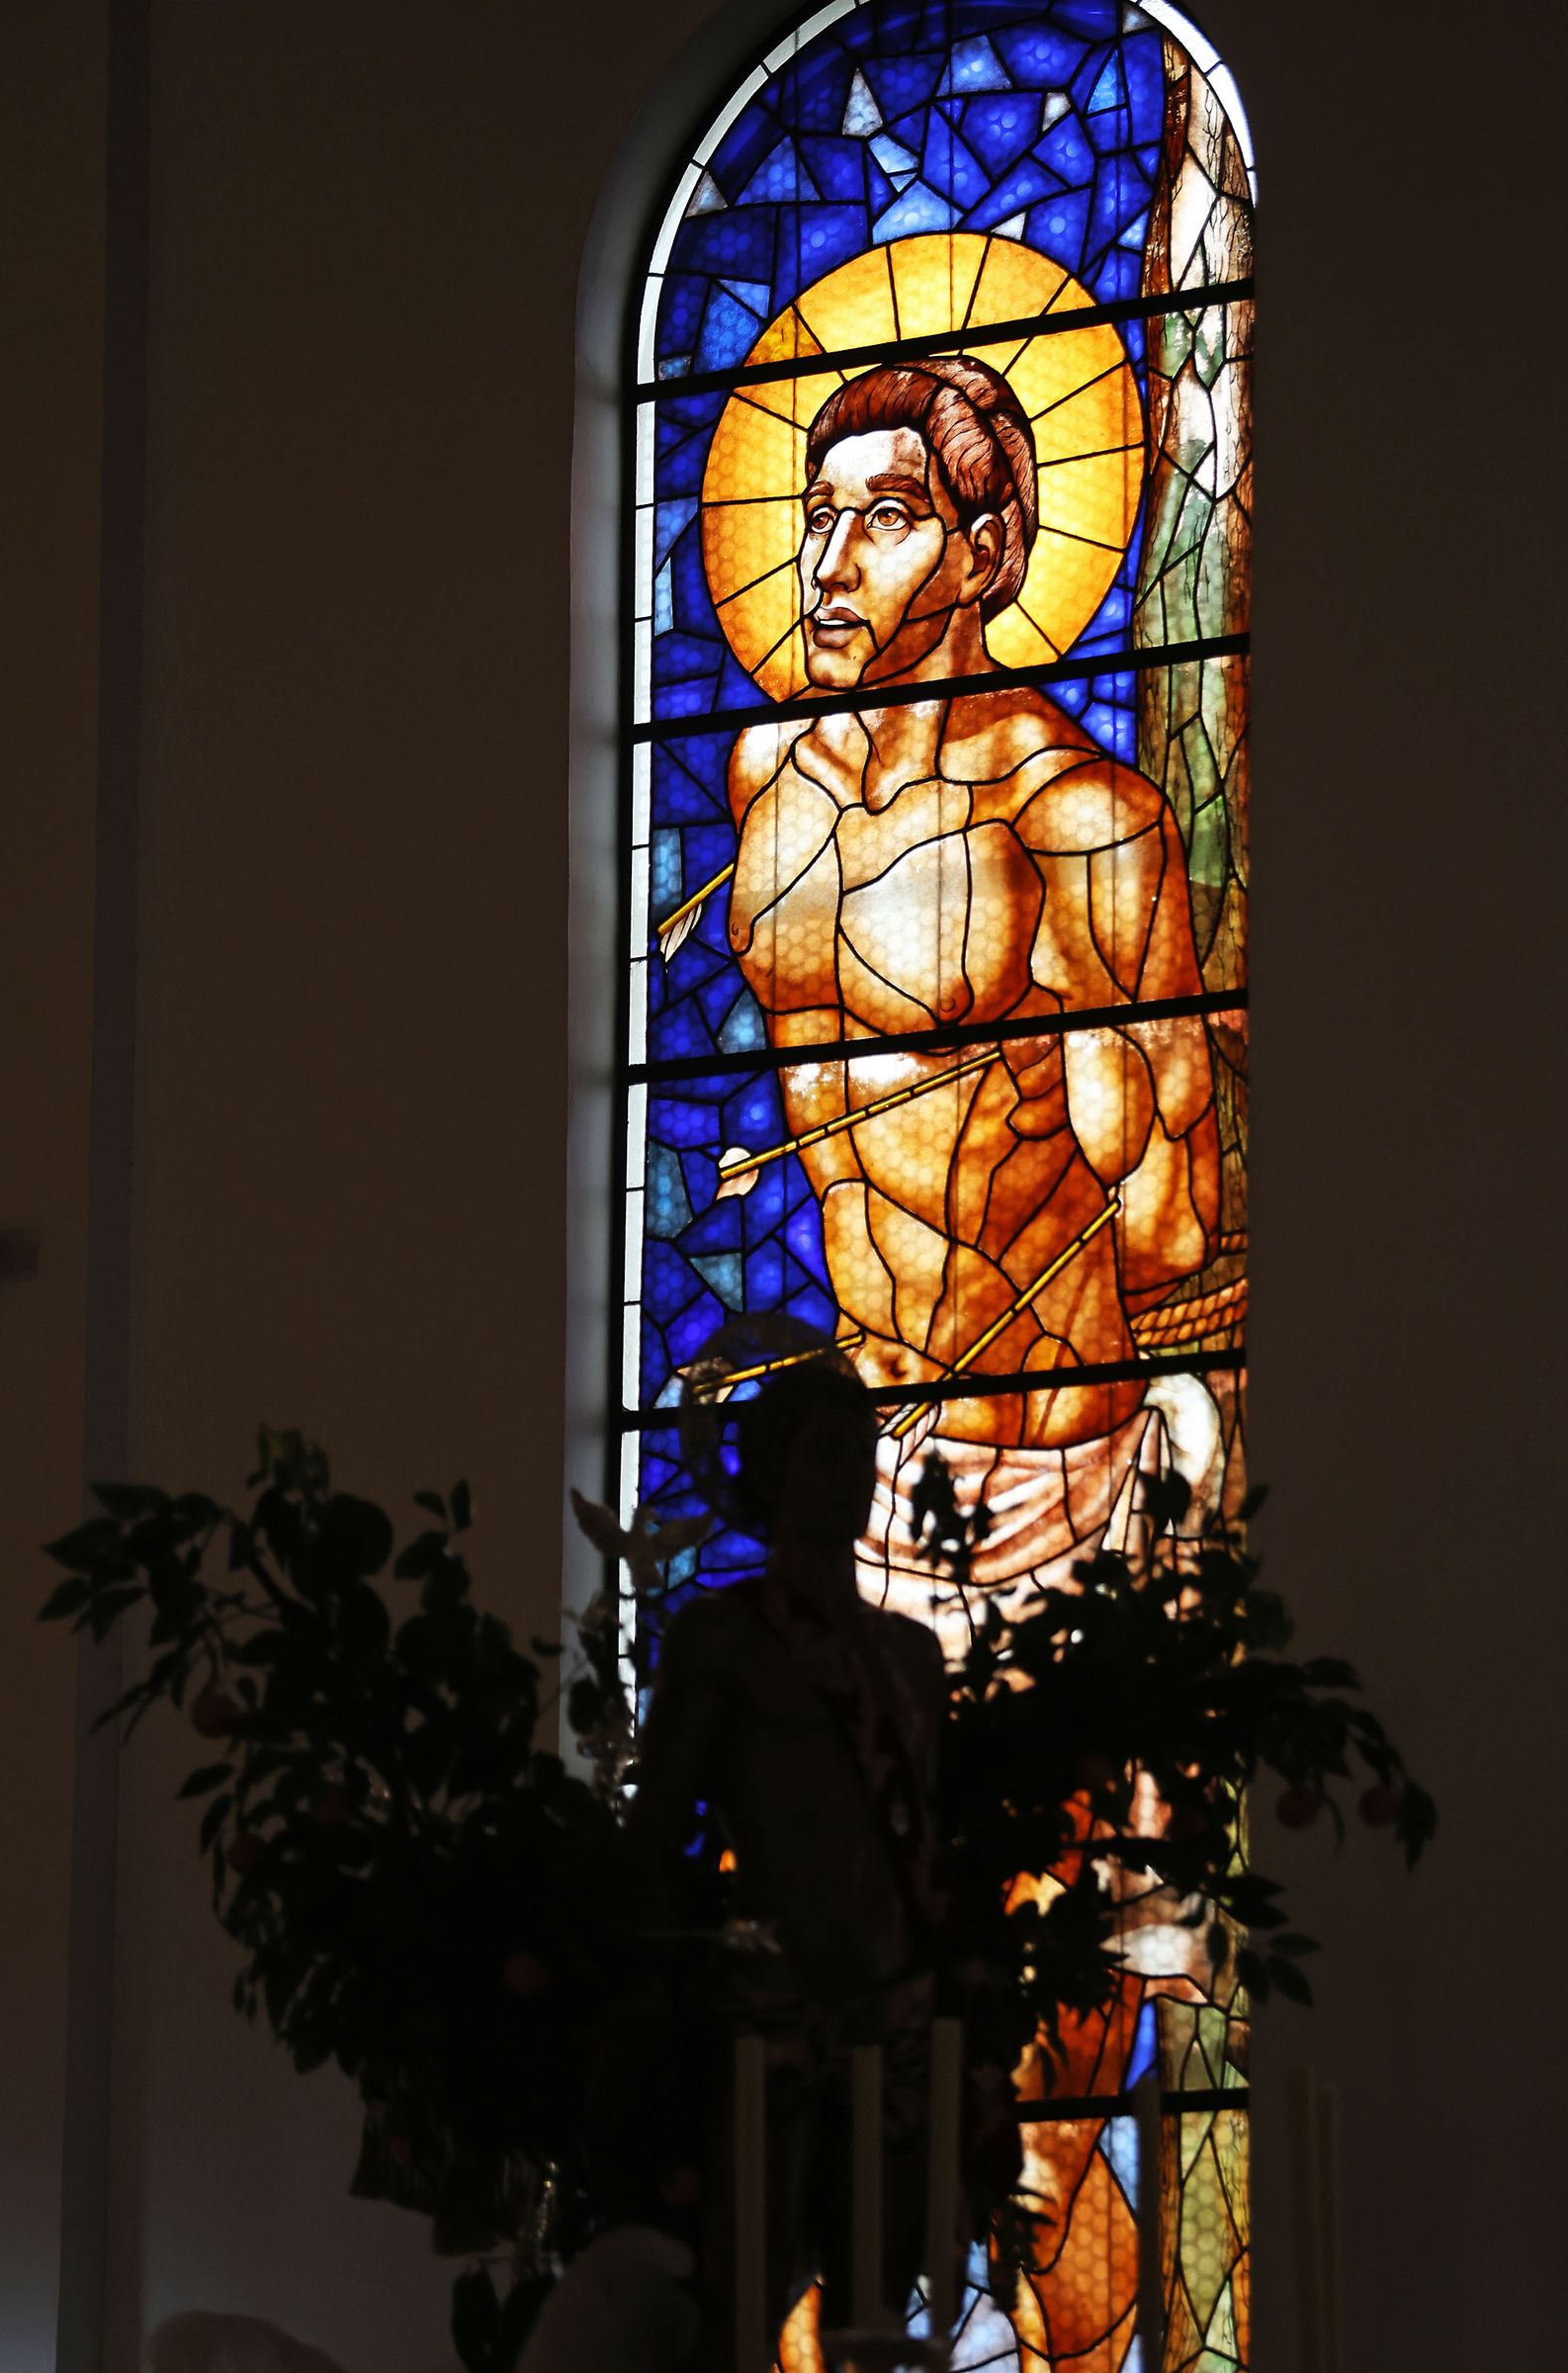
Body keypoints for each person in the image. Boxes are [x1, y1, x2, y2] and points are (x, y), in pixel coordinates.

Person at [723, 355, 1225, 1627]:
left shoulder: (1078, 822)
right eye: (817, 516)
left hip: (1047, 1466)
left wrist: (1102, 1072)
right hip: (854, 1473)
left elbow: (1171, 1231)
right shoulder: (765, 773)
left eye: (886, 519)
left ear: (984, 552)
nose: (829, 564)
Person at [626, 1358, 948, 2365]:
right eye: (825, 1453)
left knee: (875, 2317)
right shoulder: (723, 1641)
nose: (853, 1475)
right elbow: (659, 1828)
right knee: (739, 2307)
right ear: (770, 1471)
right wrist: (659, 1996)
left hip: (894, 2019)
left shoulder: (911, 1659)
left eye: (864, 1452)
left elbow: (931, 1846)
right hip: (771, 2021)